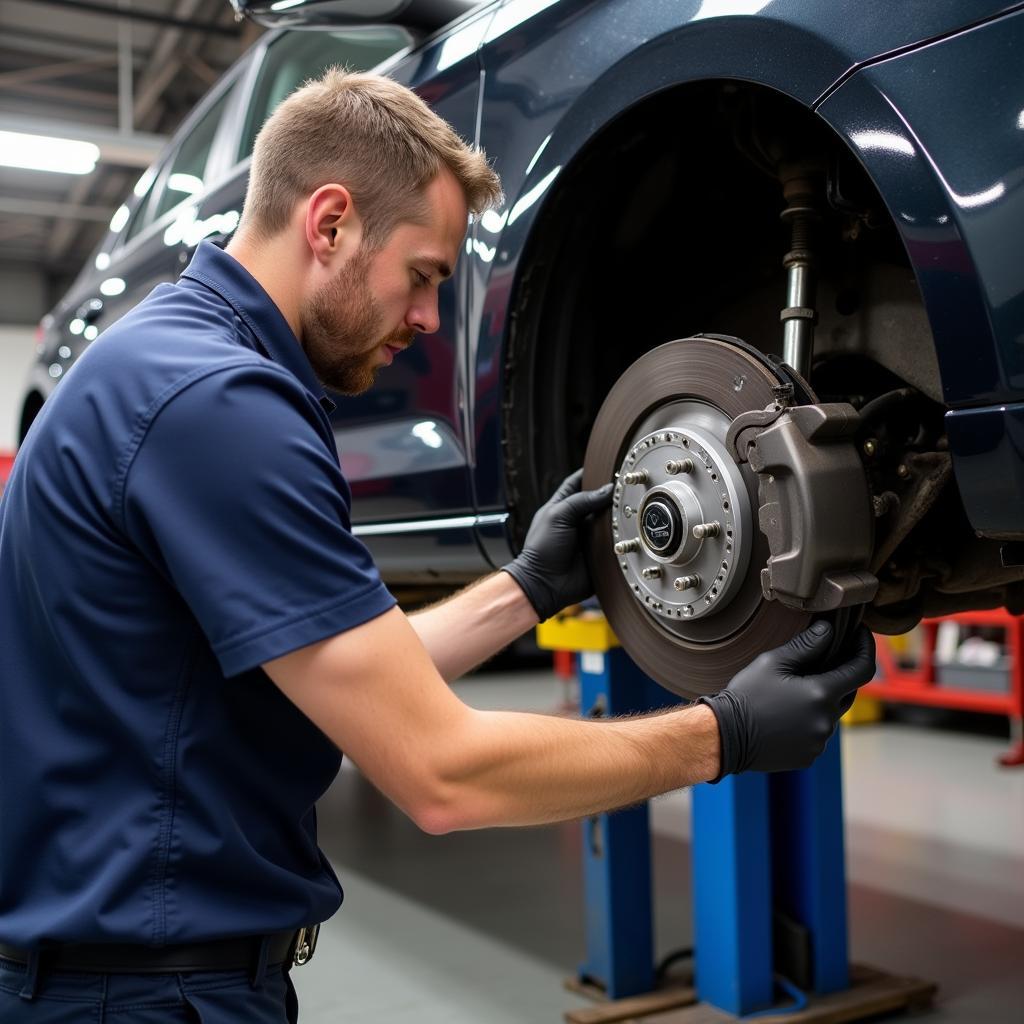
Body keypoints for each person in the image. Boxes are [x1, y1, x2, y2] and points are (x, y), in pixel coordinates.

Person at [0, 69, 875, 1022]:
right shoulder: (218, 405)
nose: (426, 320)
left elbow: (356, 679)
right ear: (329, 222)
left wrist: (530, 588)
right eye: (422, 275)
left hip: (120, 975)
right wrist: (721, 736)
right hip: (143, 994)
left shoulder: (172, 363)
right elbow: (438, 771)